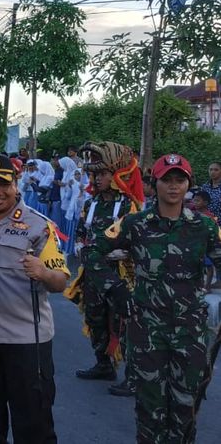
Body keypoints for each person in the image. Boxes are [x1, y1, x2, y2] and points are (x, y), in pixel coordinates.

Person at [93, 154, 221, 443]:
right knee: (149, 410)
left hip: (190, 332)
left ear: (189, 184)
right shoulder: (136, 224)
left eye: (180, 180)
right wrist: (116, 289)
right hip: (146, 330)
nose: (173, 187)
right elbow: (93, 253)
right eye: (167, 180)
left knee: (185, 409)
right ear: (155, 184)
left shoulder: (205, 227)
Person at [0, 154, 70, 444]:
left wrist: (43, 272)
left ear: (16, 184)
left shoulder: (39, 226)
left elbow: (61, 281)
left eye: (3, 184)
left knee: (34, 428)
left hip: (25, 343)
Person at [69, 141, 143, 397]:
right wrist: (81, 246)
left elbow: (133, 240)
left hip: (119, 274)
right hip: (92, 274)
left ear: (115, 176)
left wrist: (116, 252)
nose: (96, 178)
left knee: (123, 323)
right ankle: (103, 364)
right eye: (94, 174)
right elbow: (80, 233)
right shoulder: (91, 204)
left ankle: (134, 377)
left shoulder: (127, 205)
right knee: (95, 318)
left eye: (101, 174)